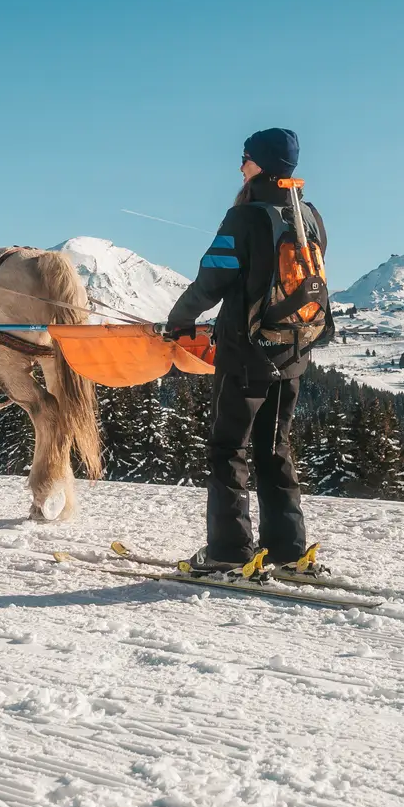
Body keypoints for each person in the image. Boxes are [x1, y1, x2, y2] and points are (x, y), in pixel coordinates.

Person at [165, 127, 333, 573]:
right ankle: (287, 549)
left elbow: (211, 279)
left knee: (228, 449)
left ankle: (229, 551)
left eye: (245, 158)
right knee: (275, 448)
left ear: (261, 164)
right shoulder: (311, 217)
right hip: (292, 353)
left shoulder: (244, 218)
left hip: (245, 355)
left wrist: (180, 319)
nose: (240, 167)